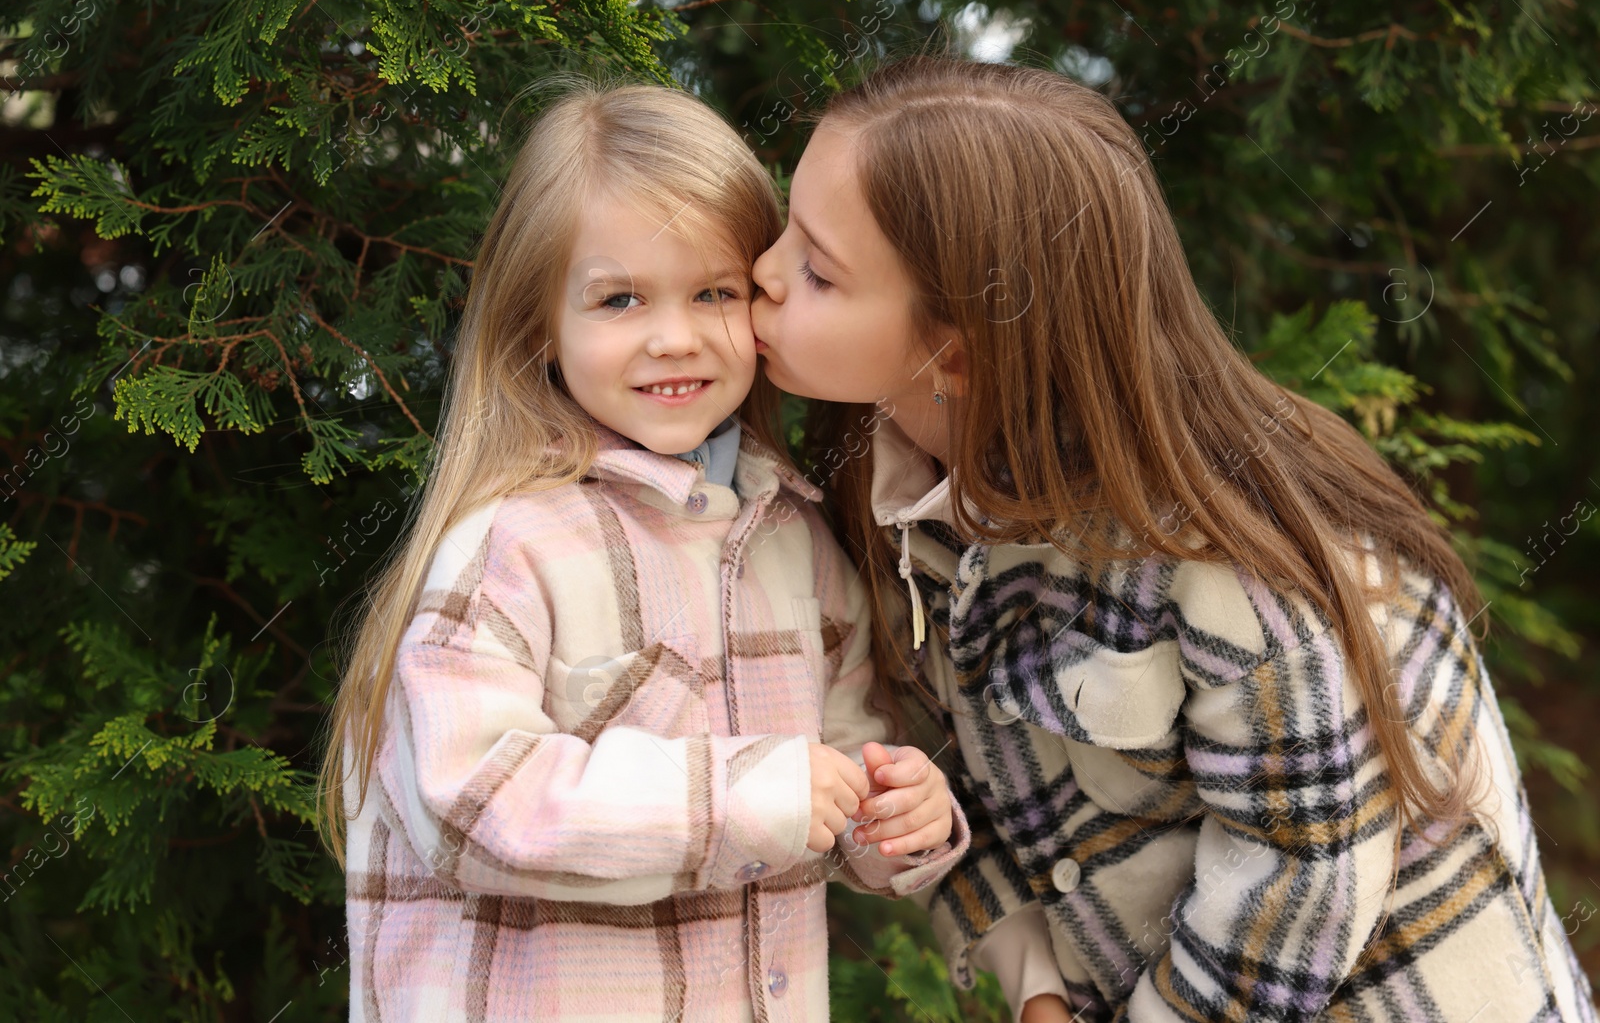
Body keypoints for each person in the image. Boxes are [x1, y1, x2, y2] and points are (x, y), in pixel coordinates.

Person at [750, 53, 1598, 1022]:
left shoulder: (1225, 554)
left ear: (955, 344)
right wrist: (1033, 981)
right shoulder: (885, 481)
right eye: (786, 225)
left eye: (817, 268)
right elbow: (936, 772)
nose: (762, 274)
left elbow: (1296, 885)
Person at [315, 80, 970, 1022]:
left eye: (715, 290)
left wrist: (897, 814)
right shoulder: (512, 543)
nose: (674, 336)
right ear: (542, 321)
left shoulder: (795, 540)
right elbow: (471, 805)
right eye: (620, 298)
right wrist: (753, 795)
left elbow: (833, 777)